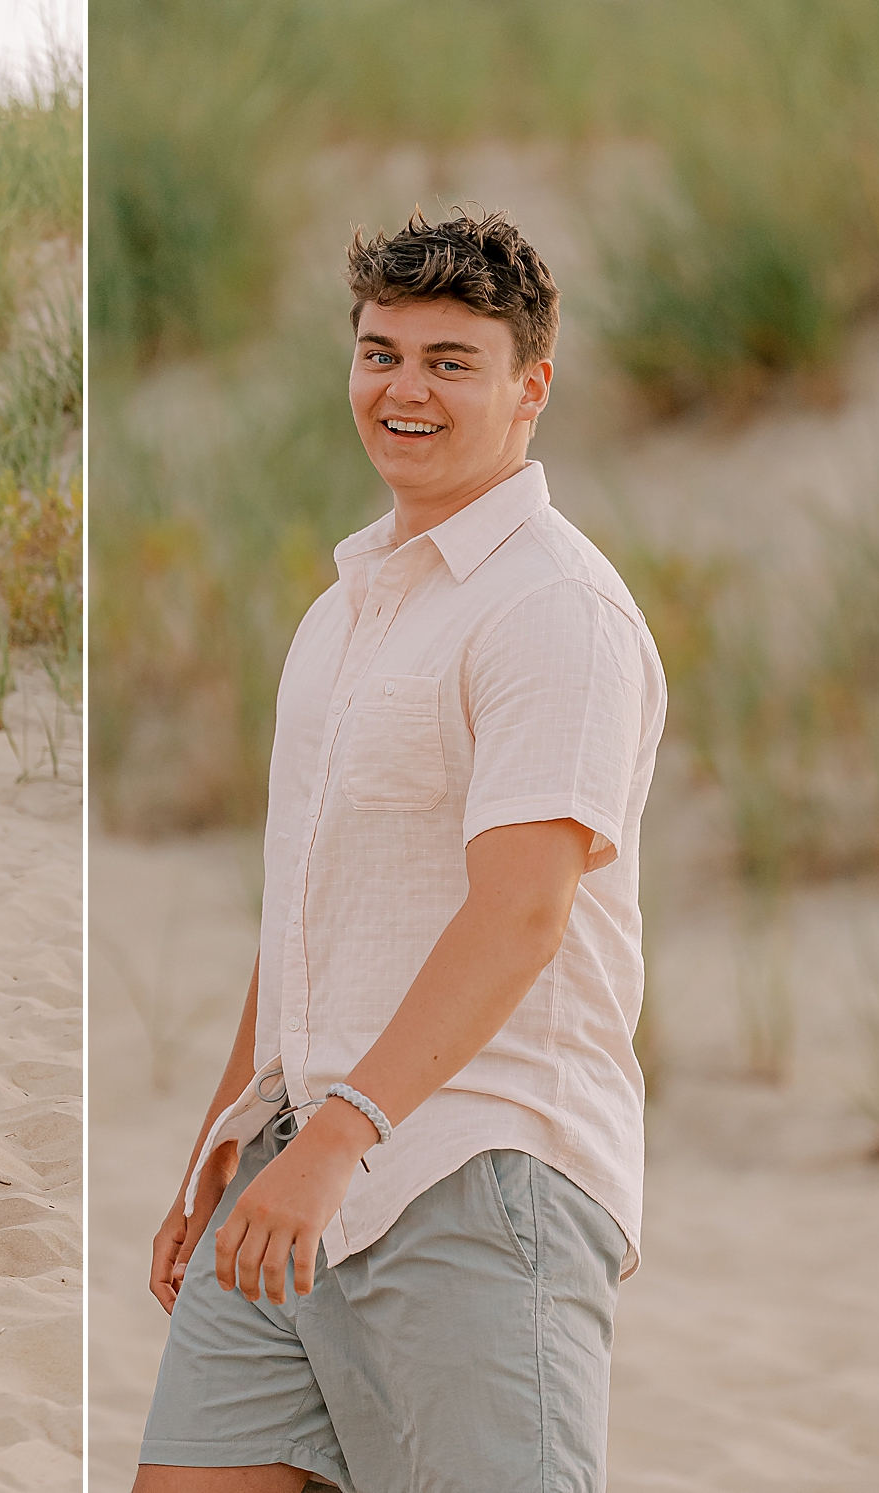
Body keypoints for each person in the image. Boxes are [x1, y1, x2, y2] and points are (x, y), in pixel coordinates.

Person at [134, 212, 668, 1493]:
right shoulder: (345, 607)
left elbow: (520, 911)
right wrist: (232, 1129)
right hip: (294, 1166)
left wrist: (338, 1141)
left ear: (529, 386)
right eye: (379, 352)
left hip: (478, 1170)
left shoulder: (552, 606)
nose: (403, 388)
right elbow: (307, 910)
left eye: (448, 359)